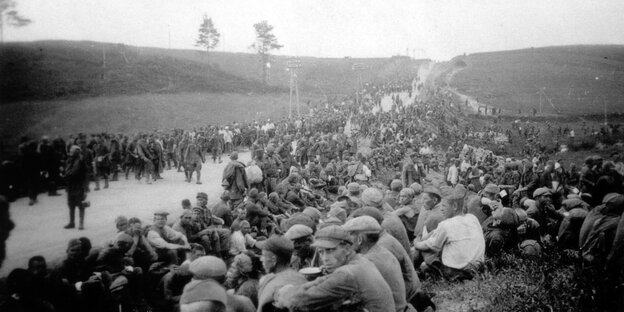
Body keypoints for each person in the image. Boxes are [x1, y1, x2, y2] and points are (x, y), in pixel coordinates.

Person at [277, 225, 395, 312]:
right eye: (321, 252)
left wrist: (285, 294)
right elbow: (325, 281)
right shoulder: (359, 260)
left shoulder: (347, 273)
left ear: (347, 249)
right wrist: (297, 288)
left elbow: (302, 300)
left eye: (330, 250)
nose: (324, 258)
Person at [414, 185, 485, 281]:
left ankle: (413, 274)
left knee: (424, 251)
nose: (441, 209)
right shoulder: (472, 218)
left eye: (443, 206)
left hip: (458, 272)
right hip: (477, 269)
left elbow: (428, 246)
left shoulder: (446, 224)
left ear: (455, 206)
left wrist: (416, 243)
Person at [343, 216, 412, 312]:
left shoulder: (368, 261)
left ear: (360, 239)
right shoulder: (382, 252)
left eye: (349, 236)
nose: (346, 242)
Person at [256, 235, 307, 312]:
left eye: (263, 255)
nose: (260, 259)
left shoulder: (272, 286)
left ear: (274, 259)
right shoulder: (301, 277)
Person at [64, 145, 89, 230]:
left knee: (81, 204)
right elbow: (67, 173)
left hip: (79, 186)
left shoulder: (81, 161)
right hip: (70, 186)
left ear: (77, 152)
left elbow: (86, 175)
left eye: (72, 151)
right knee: (71, 204)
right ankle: (72, 222)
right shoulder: (69, 161)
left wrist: (85, 188)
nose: (70, 153)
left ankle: (81, 223)